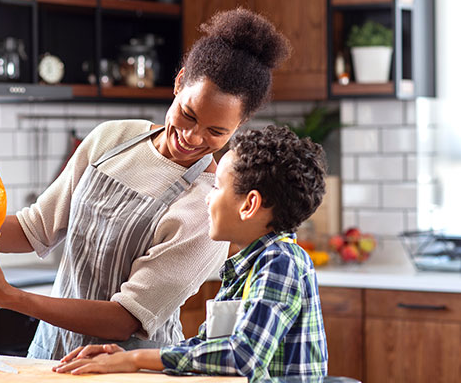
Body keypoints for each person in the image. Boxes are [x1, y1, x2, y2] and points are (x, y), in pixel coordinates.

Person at [0, 7, 291, 360]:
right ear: (179, 81)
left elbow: (125, 319)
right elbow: (36, 228)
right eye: (188, 115)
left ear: (240, 126)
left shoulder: (207, 209)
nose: (192, 137)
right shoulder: (112, 138)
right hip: (49, 355)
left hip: (127, 368)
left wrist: (8, 296)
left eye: (216, 131)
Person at [53, 125, 329, 380]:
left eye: (218, 187)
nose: (208, 196)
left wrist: (138, 358)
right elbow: (210, 348)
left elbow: (243, 356)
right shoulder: (247, 267)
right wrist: (126, 356)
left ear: (249, 205)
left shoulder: (281, 262)